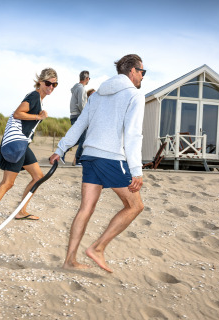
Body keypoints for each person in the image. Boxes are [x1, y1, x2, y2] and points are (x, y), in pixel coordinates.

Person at [49, 54, 146, 273]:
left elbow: (79, 125)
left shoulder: (97, 94)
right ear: (132, 71)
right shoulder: (134, 95)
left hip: (90, 156)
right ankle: (98, 248)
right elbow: (133, 135)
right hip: (111, 157)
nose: (142, 76)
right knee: (135, 205)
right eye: (142, 71)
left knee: (86, 208)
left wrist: (60, 149)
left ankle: (70, 260)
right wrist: (136, 170)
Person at [0, 68, 58, 234]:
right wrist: (38, 117)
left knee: (38, 177)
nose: (51, 87)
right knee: (7, 183)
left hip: (23, 144)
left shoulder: (39, 99)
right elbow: (17, 114)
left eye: (54, 84)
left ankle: (21, 211)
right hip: (16, 144)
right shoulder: (34, 96)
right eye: (48, 83)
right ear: (41, 82)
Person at [67, 70, 90, 166]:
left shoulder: (76, 88)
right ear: (87, 78)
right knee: (83, 139)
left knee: (78, 139)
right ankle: (78, 160)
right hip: (78, 116)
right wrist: (85, 115)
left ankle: (61, 152)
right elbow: (81, 103)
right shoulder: (81, 89)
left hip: (74, 115)